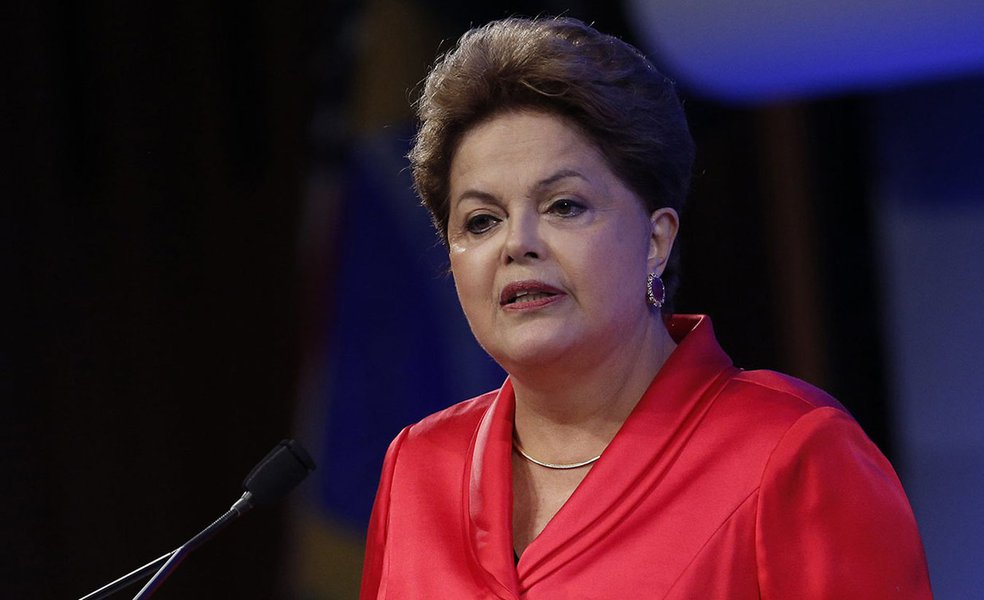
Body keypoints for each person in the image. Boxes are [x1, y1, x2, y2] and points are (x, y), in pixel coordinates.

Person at [359, 16, 932, 599]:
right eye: (482, 221)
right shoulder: (418, 467)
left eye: (563, 206)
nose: (518, 243)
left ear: (656, 240)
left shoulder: (791, 452)